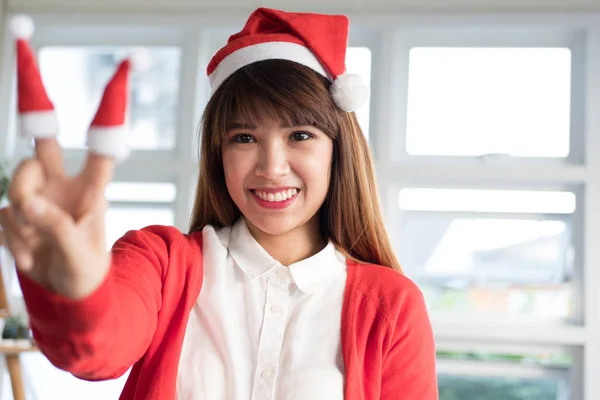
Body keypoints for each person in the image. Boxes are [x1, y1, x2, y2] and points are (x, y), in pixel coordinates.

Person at [0, 7, 438, 400]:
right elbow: (96, 351)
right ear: (218, 155)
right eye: (243, 138)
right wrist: (79, 289)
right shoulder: (162, 262)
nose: (271, 166)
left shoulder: (392, 305)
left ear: (338, 150)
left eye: (300, 135)